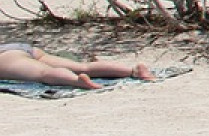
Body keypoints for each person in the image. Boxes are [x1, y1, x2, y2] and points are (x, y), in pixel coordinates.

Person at [0, 43, 152, 90]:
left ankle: (76, 81)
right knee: (83, 66)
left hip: (5, 57)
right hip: (21, 47)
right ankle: (133, 71)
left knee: (44, 73)